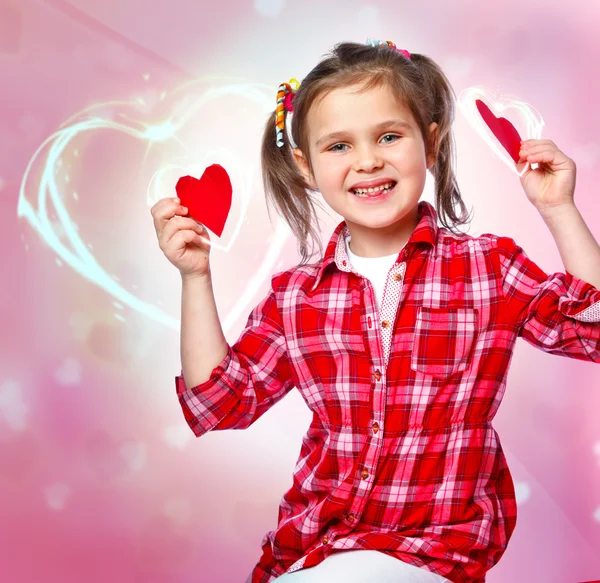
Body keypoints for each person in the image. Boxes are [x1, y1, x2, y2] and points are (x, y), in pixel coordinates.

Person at [150, 39, 600, 583]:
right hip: (315, 549)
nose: (367, 160)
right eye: (338, 146)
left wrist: (557, 207)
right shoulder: (295, 297)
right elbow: (219, 405)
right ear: (306, 166)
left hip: (437, 552)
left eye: (389, 136)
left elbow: (592, 331)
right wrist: (194, 277)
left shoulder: (488, 269)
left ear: (429, 144)